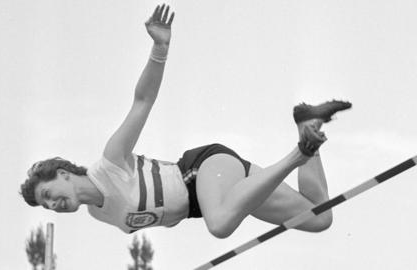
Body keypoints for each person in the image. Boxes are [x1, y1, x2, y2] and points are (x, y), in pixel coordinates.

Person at [20, 4, 352, 238]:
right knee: (319, 218)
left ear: (64, 174)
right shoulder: (98, 213)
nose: (52, 204)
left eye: (49, 193)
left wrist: (159, 49)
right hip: (213, 195)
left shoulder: (110, 163)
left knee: (219, 224)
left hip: (201, 171)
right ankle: (307, 125)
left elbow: (142, 102)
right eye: (47, 205)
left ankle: (300, 154)